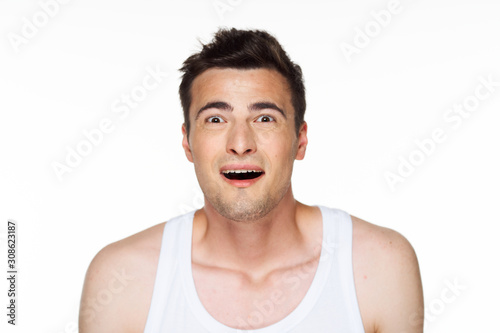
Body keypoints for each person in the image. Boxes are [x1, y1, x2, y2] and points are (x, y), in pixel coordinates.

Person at [79, 28, 424, 332]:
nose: (240, 144)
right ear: (187, 142)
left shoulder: (380, 266)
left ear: (299, 140)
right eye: (215, 119)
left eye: (264, 118)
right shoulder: (122, 279)